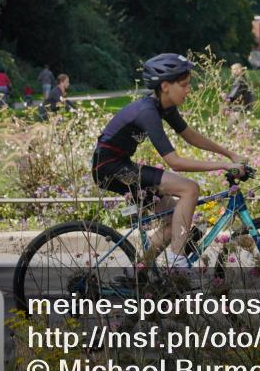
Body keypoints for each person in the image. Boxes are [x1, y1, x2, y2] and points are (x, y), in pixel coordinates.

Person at [91, 53, 246, 275]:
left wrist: (230, 155)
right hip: (109, 168)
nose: (188, 90)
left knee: (174, 220)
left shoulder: (164, 107)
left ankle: (137, 275)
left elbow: (190, 136)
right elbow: (175, 162)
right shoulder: (147, 112)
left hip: (119, 164)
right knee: (189, 188)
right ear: (165, 86)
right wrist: (223, 165)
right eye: (183, 85)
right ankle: (177, 260)